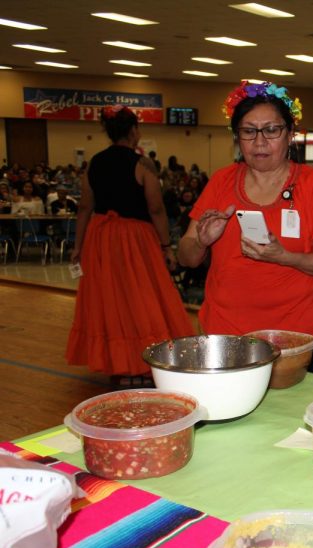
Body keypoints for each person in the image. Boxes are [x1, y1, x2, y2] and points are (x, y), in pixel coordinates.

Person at [177, 80, 313, 373]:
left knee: (288, 418)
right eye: (249, 131)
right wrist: (201, 241)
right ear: (238, 137)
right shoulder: (221, 182)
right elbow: (186, 256)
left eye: (271, 130)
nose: (260, 142)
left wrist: (283, 256)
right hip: (225, 333)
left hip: (295, 336)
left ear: (290, 134)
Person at [66, 105, 194, 385]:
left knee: (111, 301)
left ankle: (121, 366)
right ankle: (146, 363)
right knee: (142, 299)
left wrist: (78, 246)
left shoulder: (94, 163)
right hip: (135, 239)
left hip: (101, 237)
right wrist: (165, 246)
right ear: (134, 131)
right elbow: (156, 209)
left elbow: (85, 207)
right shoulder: (143, 164)